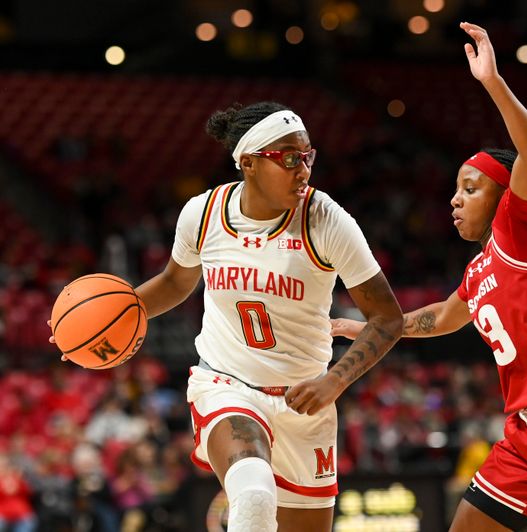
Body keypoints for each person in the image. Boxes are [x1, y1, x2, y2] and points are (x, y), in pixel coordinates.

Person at [332, 22, 527, 532]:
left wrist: (492, 81)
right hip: (522, 433)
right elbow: (443, 318)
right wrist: (378, 328)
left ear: (504, 196)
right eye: (455, 188)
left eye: (470, 188)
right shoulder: (480, 266)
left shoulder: (522, 231)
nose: (455, 198)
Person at [54, 101, 403, 531]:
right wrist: (106, 320)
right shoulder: (203, 214)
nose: (304, 169)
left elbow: (388, 318)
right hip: (228, 384)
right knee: (253, 495)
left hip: (305, 398)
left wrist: (335, 380)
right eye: (290, 158)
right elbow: (175, 283)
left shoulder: (326, 220)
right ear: (250, 163)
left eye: (308, 156)